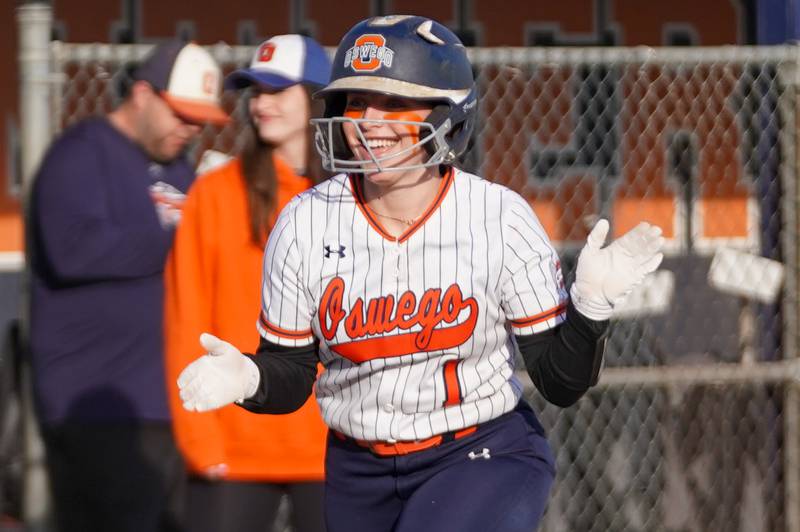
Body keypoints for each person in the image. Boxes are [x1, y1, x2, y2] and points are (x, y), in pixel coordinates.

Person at [176, 15, 664, 532]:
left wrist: (590, 310)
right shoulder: (305, 221)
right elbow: (291, 375)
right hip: (356, 466)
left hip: (480, 451)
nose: (369, 121)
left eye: (393, 102)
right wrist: (250, 376)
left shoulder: (497, 217)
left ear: (445, 113)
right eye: (357, 102)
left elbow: (559, 382)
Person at [28, 40, 228, 532]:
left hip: (172, 405)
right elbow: (72, 248)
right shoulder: (80, 153)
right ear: (142, 94)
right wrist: (189, 237)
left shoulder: (180, 166)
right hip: (100, 407)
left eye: (200, 119)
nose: (191, 128)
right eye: (181, 113)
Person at [163, 34, 331, 532]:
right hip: (233, 447)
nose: (261, 103)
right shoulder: (214, 194)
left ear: (316, 97)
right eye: (254, 90)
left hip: (337, 445)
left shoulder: (354, 194)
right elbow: (185, 318)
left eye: (278, 89)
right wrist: (199, 437)